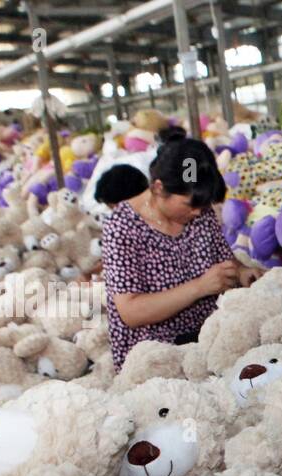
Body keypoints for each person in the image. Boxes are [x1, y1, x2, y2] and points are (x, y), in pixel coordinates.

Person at [101, 128, 260, 371]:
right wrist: (200, 287)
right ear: (157, 188)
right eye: (190, 205)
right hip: (157, 356)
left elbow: (223, 260)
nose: (197, 212)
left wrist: (240, 272)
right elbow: (131, 311)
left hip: (208, 339)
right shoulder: (121, 228)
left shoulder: (199, 211)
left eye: (203, 205)